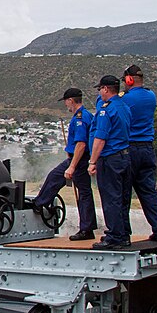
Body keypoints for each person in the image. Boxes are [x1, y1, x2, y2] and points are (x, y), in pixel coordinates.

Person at [33, 88, 97, 240]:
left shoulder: (80, 118)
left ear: (70, 100)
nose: (66, 106)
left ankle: (39, 203)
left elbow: (81, 144)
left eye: (66, 102)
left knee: (58, 179)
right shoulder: (85, 115)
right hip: (78, 159)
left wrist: (72, 166)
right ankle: (87, 228)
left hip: (78, 160)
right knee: (83, 192)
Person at [120, 65, 157, 242]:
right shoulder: (151, 96)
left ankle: (124, 234)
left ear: (129, 79)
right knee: (149, 193)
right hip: (148, 148)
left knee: (124, 193)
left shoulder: (125, 99)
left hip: (130, 148)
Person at [88, 75, 132, 250]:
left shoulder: (106, 110)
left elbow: (100, 138)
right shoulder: (124, 106)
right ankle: (123, 233)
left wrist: (92, 161)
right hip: (125, 156)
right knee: (123, 198)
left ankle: (114, 236)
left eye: (100, 89)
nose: (100, 92)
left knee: (111, 198)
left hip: (110, 158)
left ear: (106, 89)